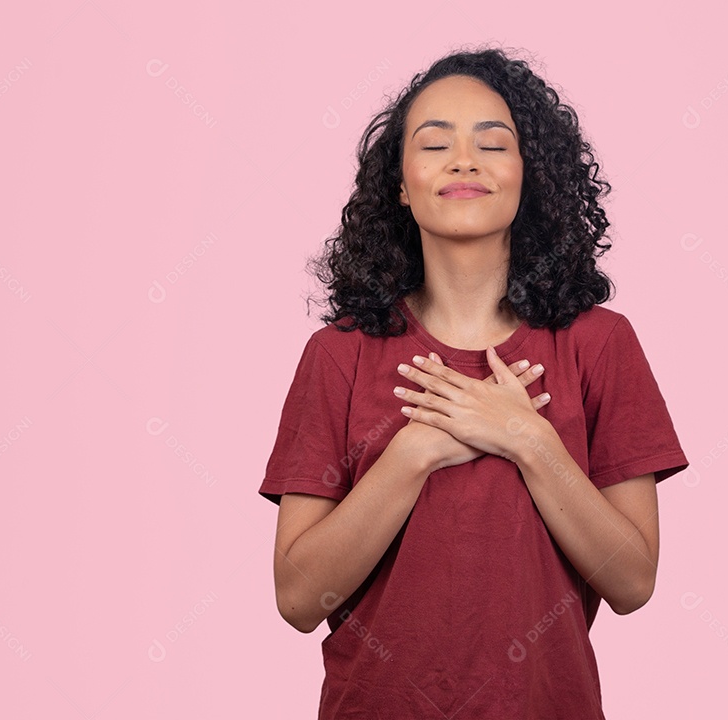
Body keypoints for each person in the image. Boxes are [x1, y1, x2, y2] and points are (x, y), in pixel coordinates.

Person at [258, 45, 689, 719]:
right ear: (401, 183)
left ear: (527, 175)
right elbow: (298, 600)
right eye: (435, 145)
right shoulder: (337, 355)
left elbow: (632, 581)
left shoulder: (600, 345)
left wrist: (526, 437)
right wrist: (413, 452)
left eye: (493, 144)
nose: (464, 161)